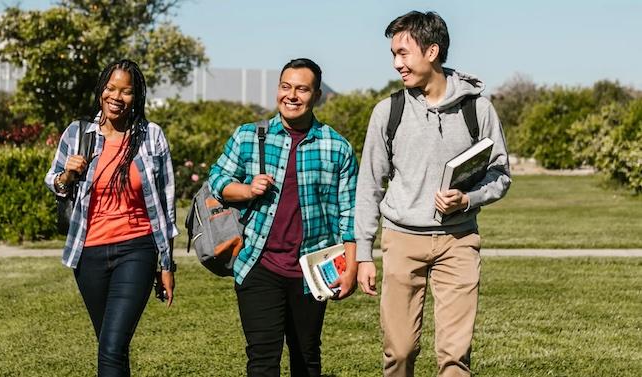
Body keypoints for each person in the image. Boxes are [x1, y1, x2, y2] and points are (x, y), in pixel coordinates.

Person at [354, 11, 511, 377]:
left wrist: (468, 200)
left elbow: (501, 174)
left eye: (403, 53)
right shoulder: (387, 112)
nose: (397, 64)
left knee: (455, 356)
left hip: (459, 241)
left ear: (432, 51)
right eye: (393, 54)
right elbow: (370, 185)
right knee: (400, 351)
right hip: (402, 240)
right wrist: (364, 253)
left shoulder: (478, 109)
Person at [208, 58, 359, 377]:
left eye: (302, 89)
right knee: (262, 361)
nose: (291, 95)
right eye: (285, 87)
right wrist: (247, 190)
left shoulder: (336, 147)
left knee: (306, 357)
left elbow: (350, 213)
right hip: (257, 264)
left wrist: (352, 266)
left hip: (313, 269)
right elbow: (218, 180)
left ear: (316, 96)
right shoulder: (249, 136)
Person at [44, 59, 177, 376]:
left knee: (112, 346)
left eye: (126, 91)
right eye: (111, 88)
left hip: (136, 250)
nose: (117, 96)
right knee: (111, 346)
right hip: (88, 254)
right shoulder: (78, 134)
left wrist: (167, 264)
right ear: (101, 89)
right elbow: (55, 184)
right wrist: (68, 174)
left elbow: (166, 202)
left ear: (137, 96)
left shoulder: (151, 136)